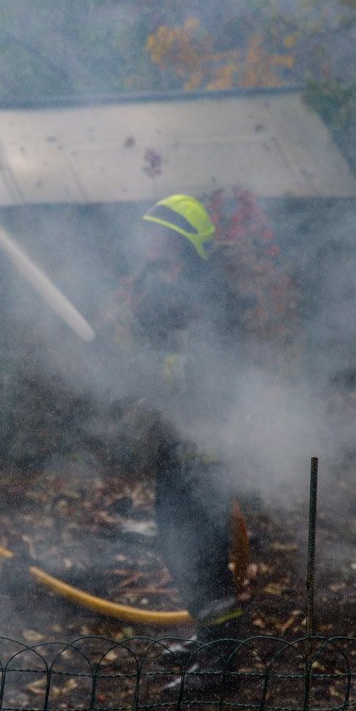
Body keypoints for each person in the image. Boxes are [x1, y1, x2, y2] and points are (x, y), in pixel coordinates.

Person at [113, 194, 245, 667]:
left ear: (180, 241)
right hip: (174, 437)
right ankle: (209, 636)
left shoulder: (210, 296)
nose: (148, 237)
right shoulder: (160, 289)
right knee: (175, 541)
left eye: (158, 230)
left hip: (205, 442)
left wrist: (168, 395)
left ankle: (222, 658)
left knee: (202, 546)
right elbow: (157, 361)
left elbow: (214, 372)